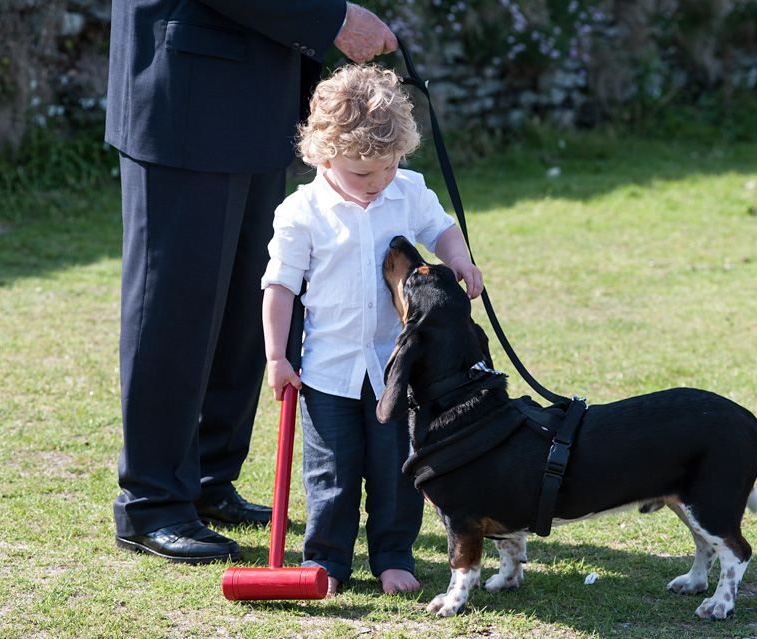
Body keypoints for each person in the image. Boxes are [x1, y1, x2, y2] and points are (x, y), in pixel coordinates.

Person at [106, 0, 399, 564]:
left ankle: (210, 480)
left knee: (249, 302)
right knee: (175, 305)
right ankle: (152, 502)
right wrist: (332, 19)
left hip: (257, 98)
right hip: (186, 89)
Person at [261, 64, 483, 595]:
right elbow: (280, 287)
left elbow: (443, 229)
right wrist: (276, 357)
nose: (378, 181)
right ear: (324, 153)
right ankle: (329, 562)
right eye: (364, 174)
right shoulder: (301, 212)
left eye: (388, 168)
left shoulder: (407, 191)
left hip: (396, 369)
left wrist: (462, 260)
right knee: (331, 476)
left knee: (397, 470)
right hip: (326, 372)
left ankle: (392, 556)